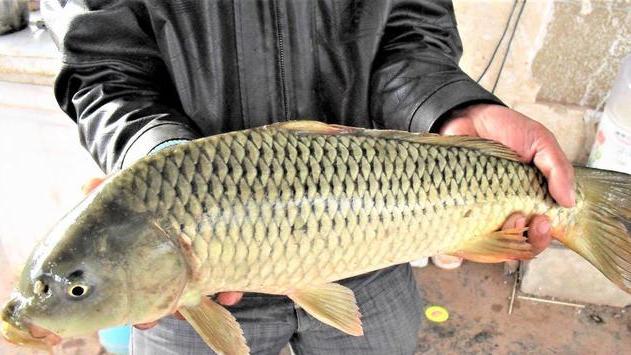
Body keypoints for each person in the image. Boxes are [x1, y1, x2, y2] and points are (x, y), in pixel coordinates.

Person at [43, 0, 574, 354]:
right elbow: (102, 69)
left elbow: (411, 36)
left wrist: (452, 112)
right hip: (194, 273)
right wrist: (161, 164)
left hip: (371, 237)